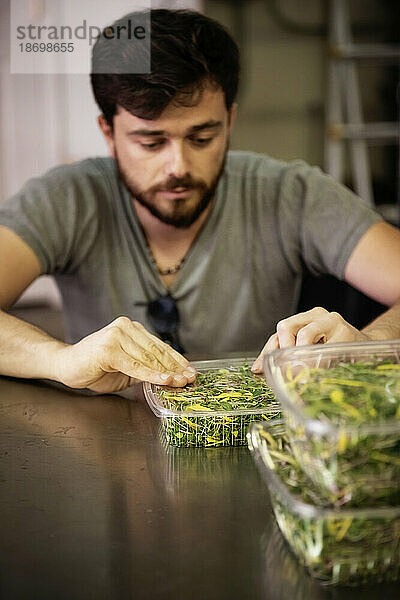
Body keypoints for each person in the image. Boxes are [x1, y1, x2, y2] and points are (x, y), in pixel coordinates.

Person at [1, 8, 400, 393]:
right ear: (108, 131)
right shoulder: (67, 198)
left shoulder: (289, 193)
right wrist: (61, 359)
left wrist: (367, 343)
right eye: (151, 142)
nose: (178, 166)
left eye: (202, 139)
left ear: (230, 120)